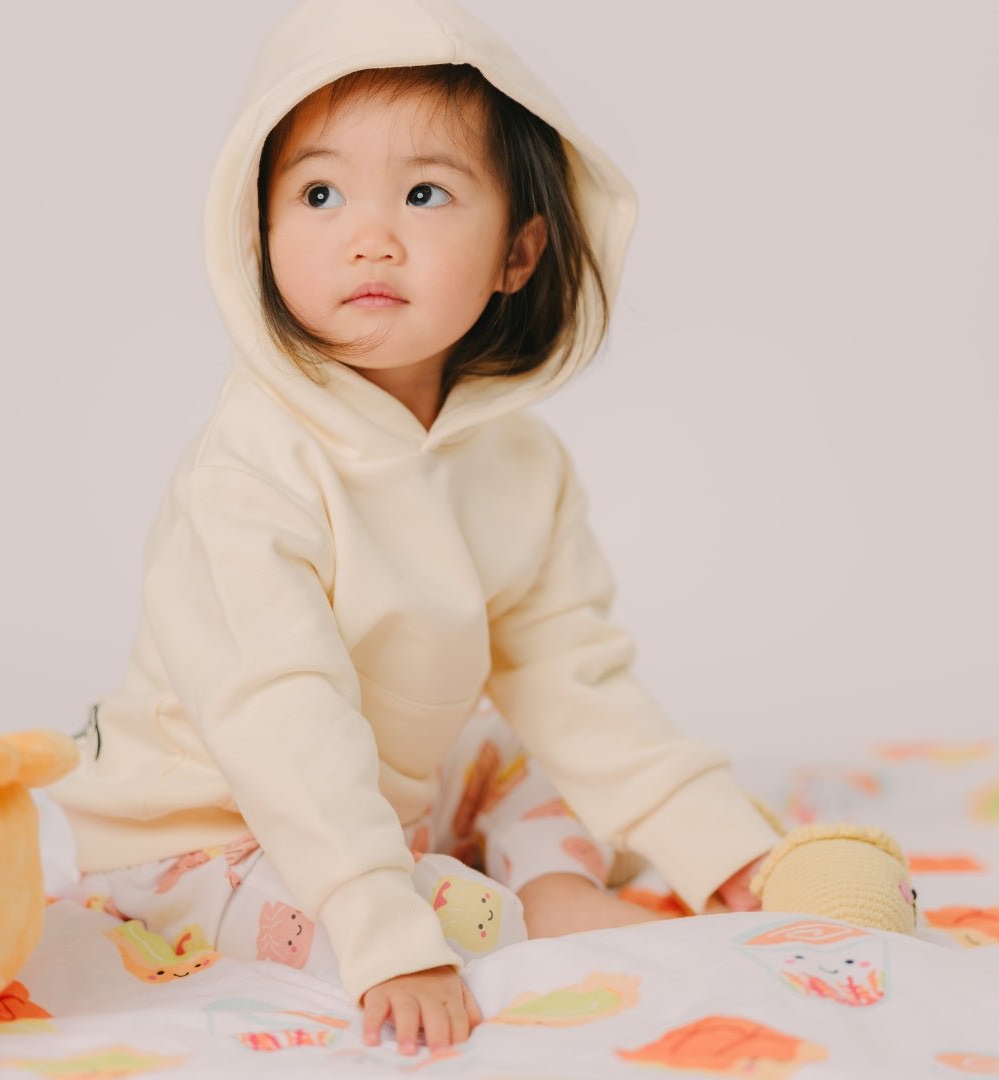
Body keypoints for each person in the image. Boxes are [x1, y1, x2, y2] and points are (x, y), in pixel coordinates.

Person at [51, 0, 782, 1057]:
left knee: (524, 749)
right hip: (210, 833)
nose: (369, 236)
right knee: (448, 917)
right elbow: (282, 718)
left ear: (516, 255)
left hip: (384, 790)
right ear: (255, 234)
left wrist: (731, 854)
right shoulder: (249, 469)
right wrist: (385, 927)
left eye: (426, 192)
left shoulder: (521, 466)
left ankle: (563, 883)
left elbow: (578, 681)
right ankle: (511, 907)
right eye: (318, 193)